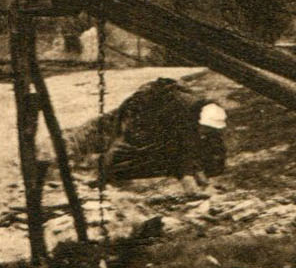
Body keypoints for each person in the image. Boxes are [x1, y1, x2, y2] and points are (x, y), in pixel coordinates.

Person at [68, 77, 228, 190]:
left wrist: (203, 177)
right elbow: (180, 144)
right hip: (142, 114)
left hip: (159, 116)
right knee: (128, 147)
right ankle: (98, 171)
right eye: (206, 129)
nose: (207, 132)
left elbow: (196, 145)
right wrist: (187, 176)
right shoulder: (181, 113)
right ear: (200, 121)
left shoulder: (208, 111)